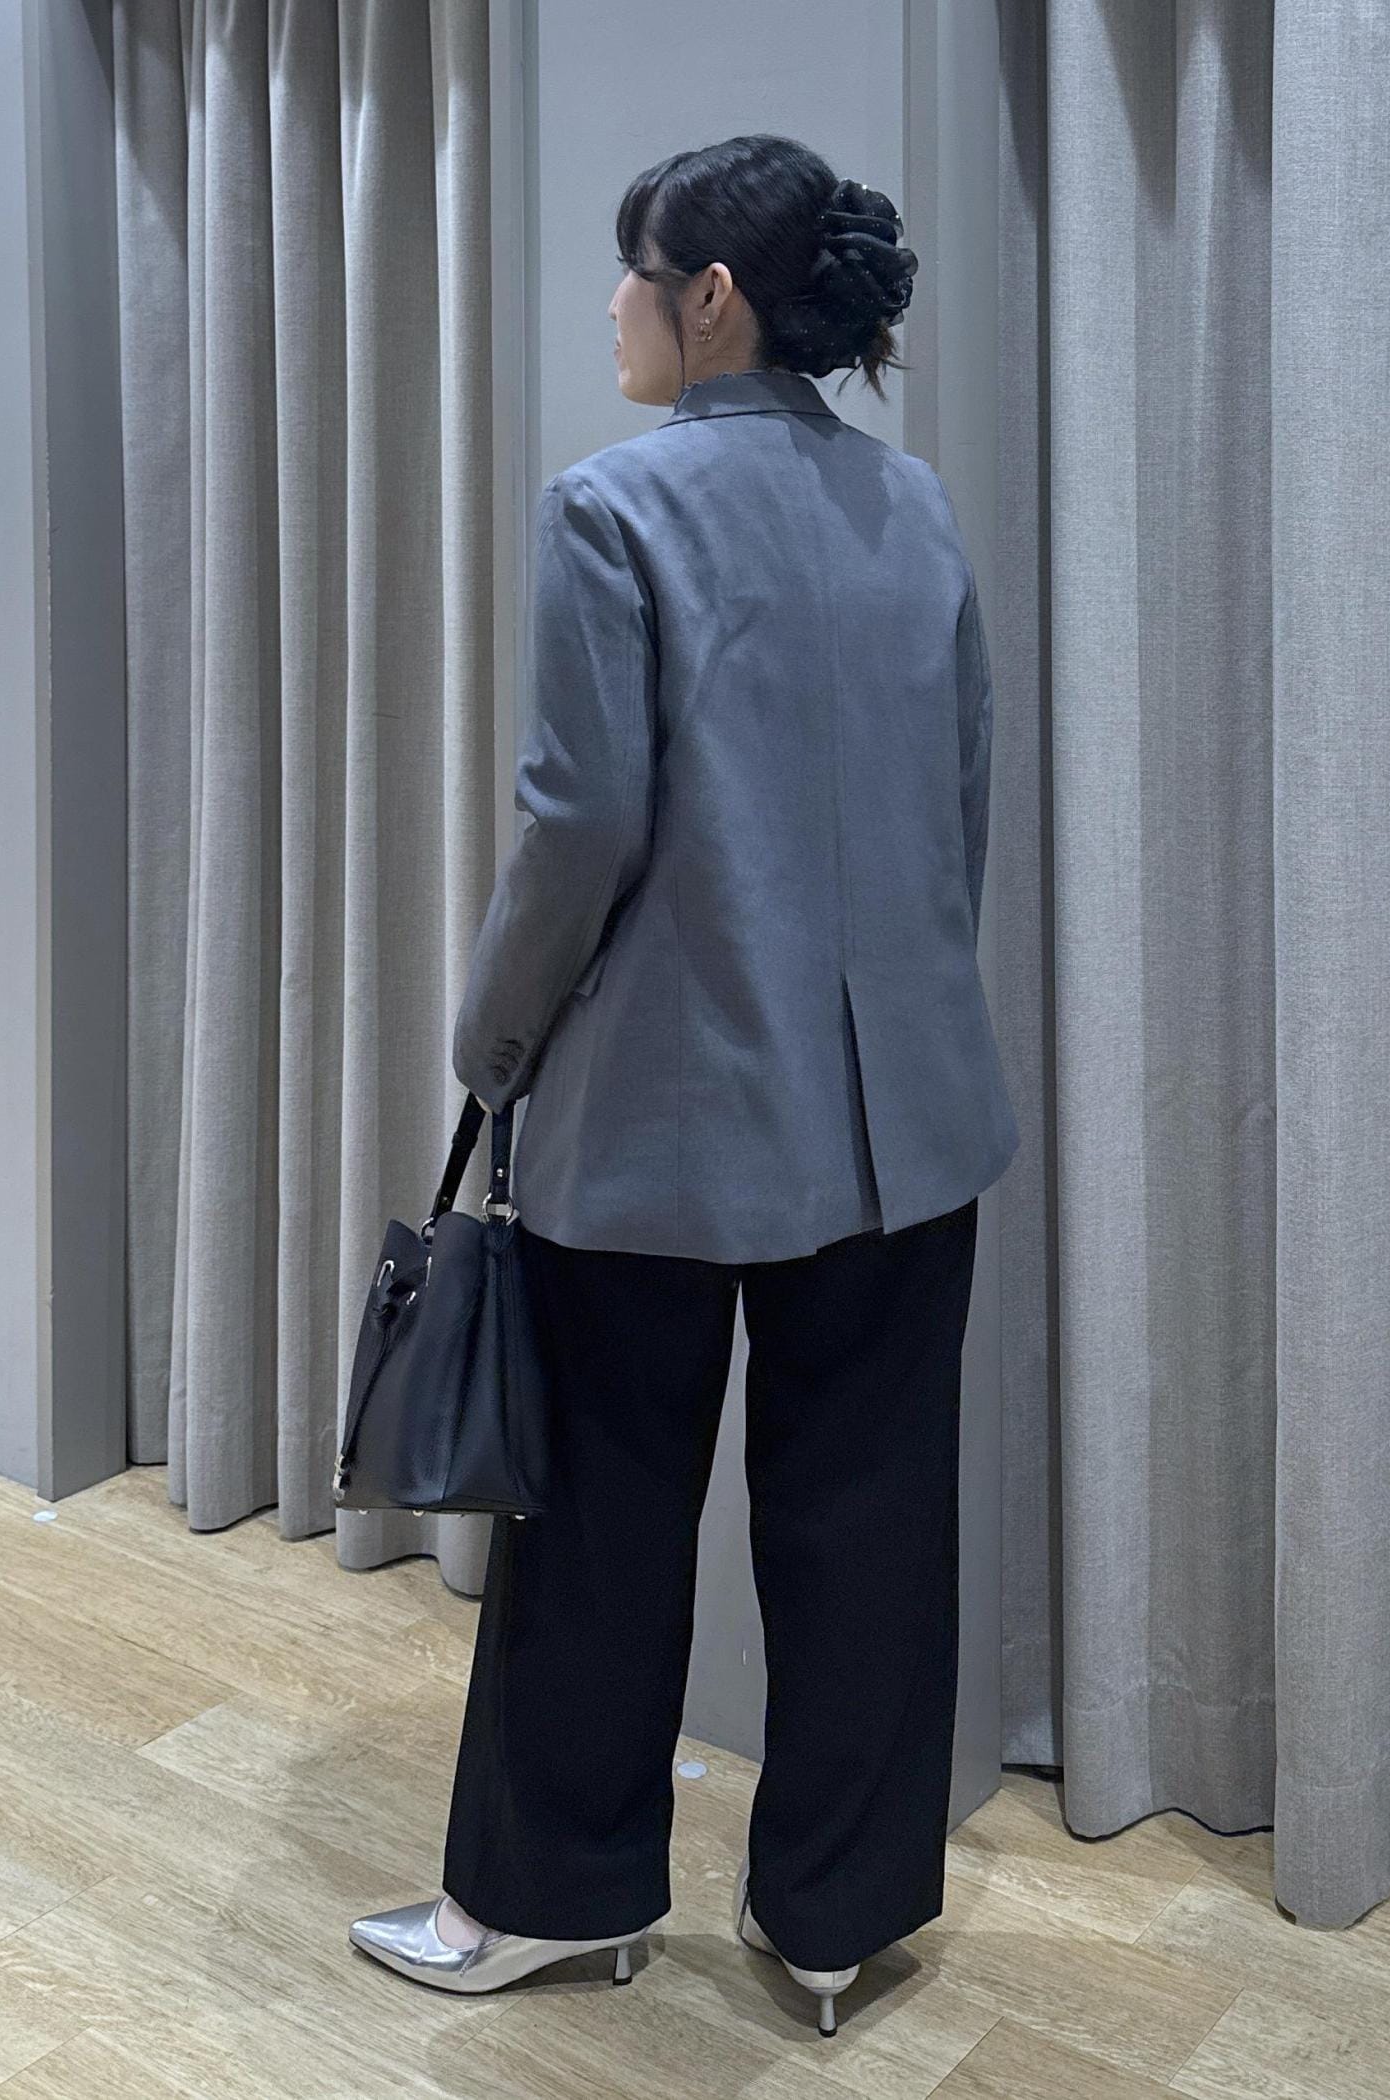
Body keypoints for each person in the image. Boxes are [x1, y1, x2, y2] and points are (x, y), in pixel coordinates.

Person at [348, 132, 1020, 2039]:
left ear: (710, 300)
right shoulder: (915, 507)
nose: (617, 308)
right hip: (908, 1128)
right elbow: (959, 808)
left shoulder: (612, 507)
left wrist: (491, 1041)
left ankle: (547, 1899)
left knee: (599, 1516)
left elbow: (579, 825)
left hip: (663, 1122)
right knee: (869, 1519)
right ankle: (833, 1923)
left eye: (635, 274)